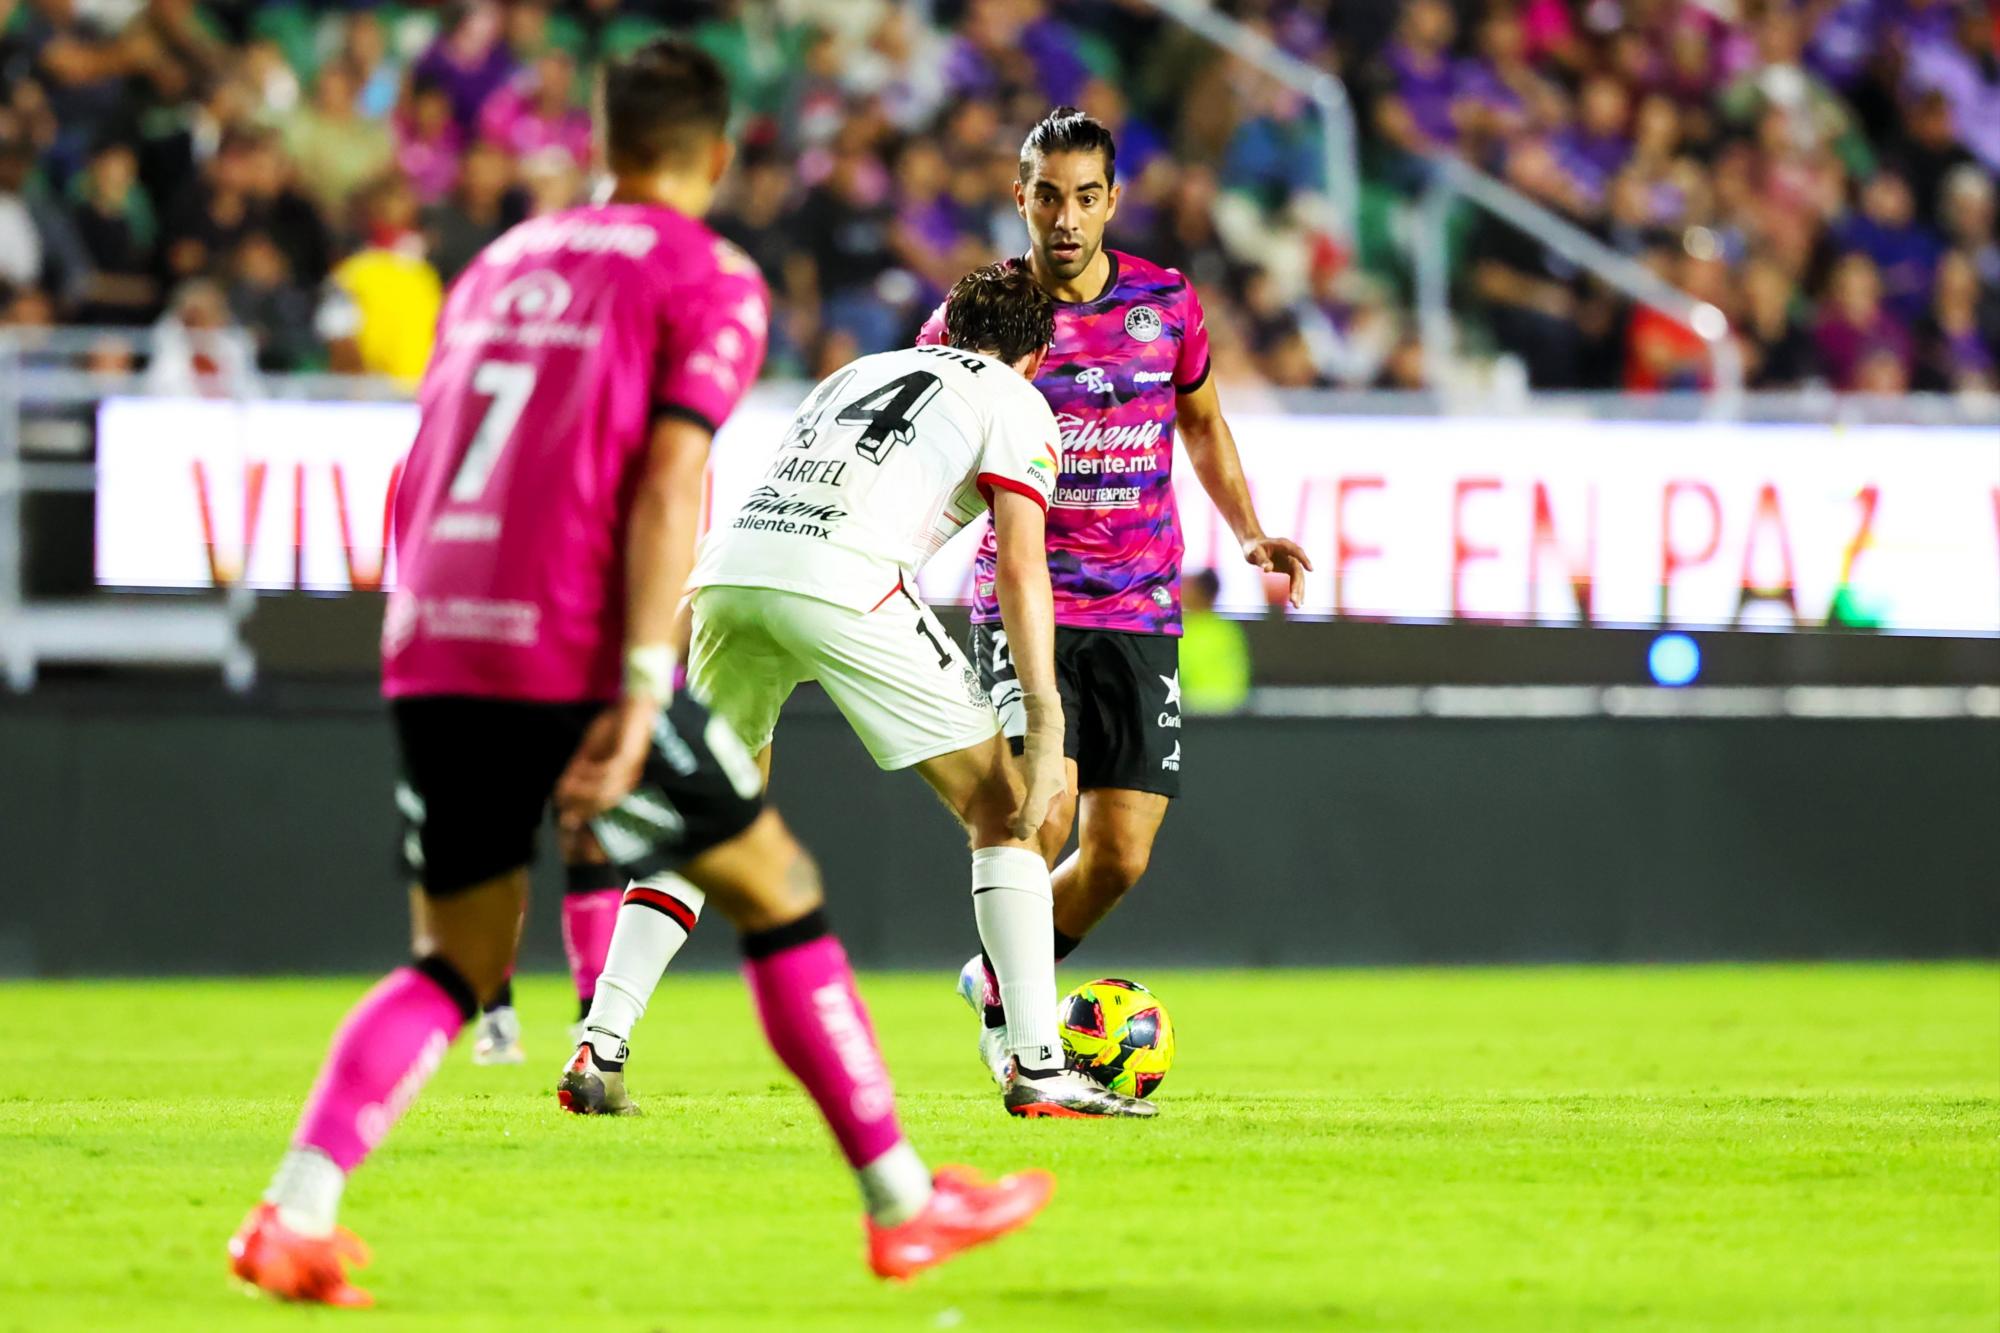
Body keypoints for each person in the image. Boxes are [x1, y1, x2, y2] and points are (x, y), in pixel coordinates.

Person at [226, 40, 1052, 1307]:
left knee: (451, 960)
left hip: (437, 635)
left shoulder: (500, 261)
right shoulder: (704, 277)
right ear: (715, 157)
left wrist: (417, 616)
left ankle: (293, 1213)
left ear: (600, 141)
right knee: (776, 884)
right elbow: (670, 479)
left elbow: (432, 445)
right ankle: (904, 1201)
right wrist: (635, 667)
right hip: (567, 635)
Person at [560, 262, 1156, 1122]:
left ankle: (600, 1043)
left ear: (946, 327)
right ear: (1037, 352)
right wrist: (1049, 720)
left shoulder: (861, 369)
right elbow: (1023, 565)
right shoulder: (1020, 400)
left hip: (729, 572)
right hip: (843, 577)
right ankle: (1037, 1064)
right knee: (1008, 805)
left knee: (710, 814)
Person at [918, 107, 1309, 1084]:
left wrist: (1250, 529)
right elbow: (916, 430)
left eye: (1083, 196)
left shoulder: (1165, 305)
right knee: (1037, 812)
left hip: (1140, 608)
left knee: (1118, 857)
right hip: (1027, 600)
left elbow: (1204, 425)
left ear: (1110, 202)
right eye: (1046, 195)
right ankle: (1024, 1039)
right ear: (1019, 197)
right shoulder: (979, 316)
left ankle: (995, 975)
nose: (1064, 216)